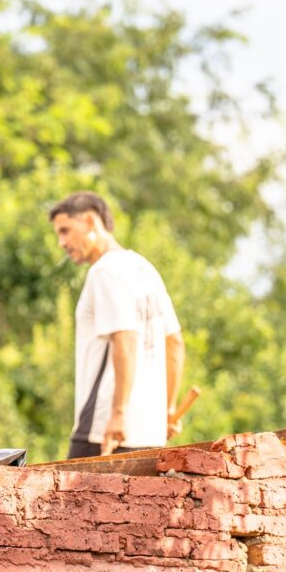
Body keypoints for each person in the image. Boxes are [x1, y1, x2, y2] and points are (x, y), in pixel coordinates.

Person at [48, 191, 185, 459]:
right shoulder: (145, 269)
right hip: (149, 435)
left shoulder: (104, 271)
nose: (62, 242)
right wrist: (167, 410)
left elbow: (126, 339)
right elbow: (175, 343)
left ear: (90, 221)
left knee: (66, 502)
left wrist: (119, 414)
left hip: (104, 432)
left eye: (65, 231)